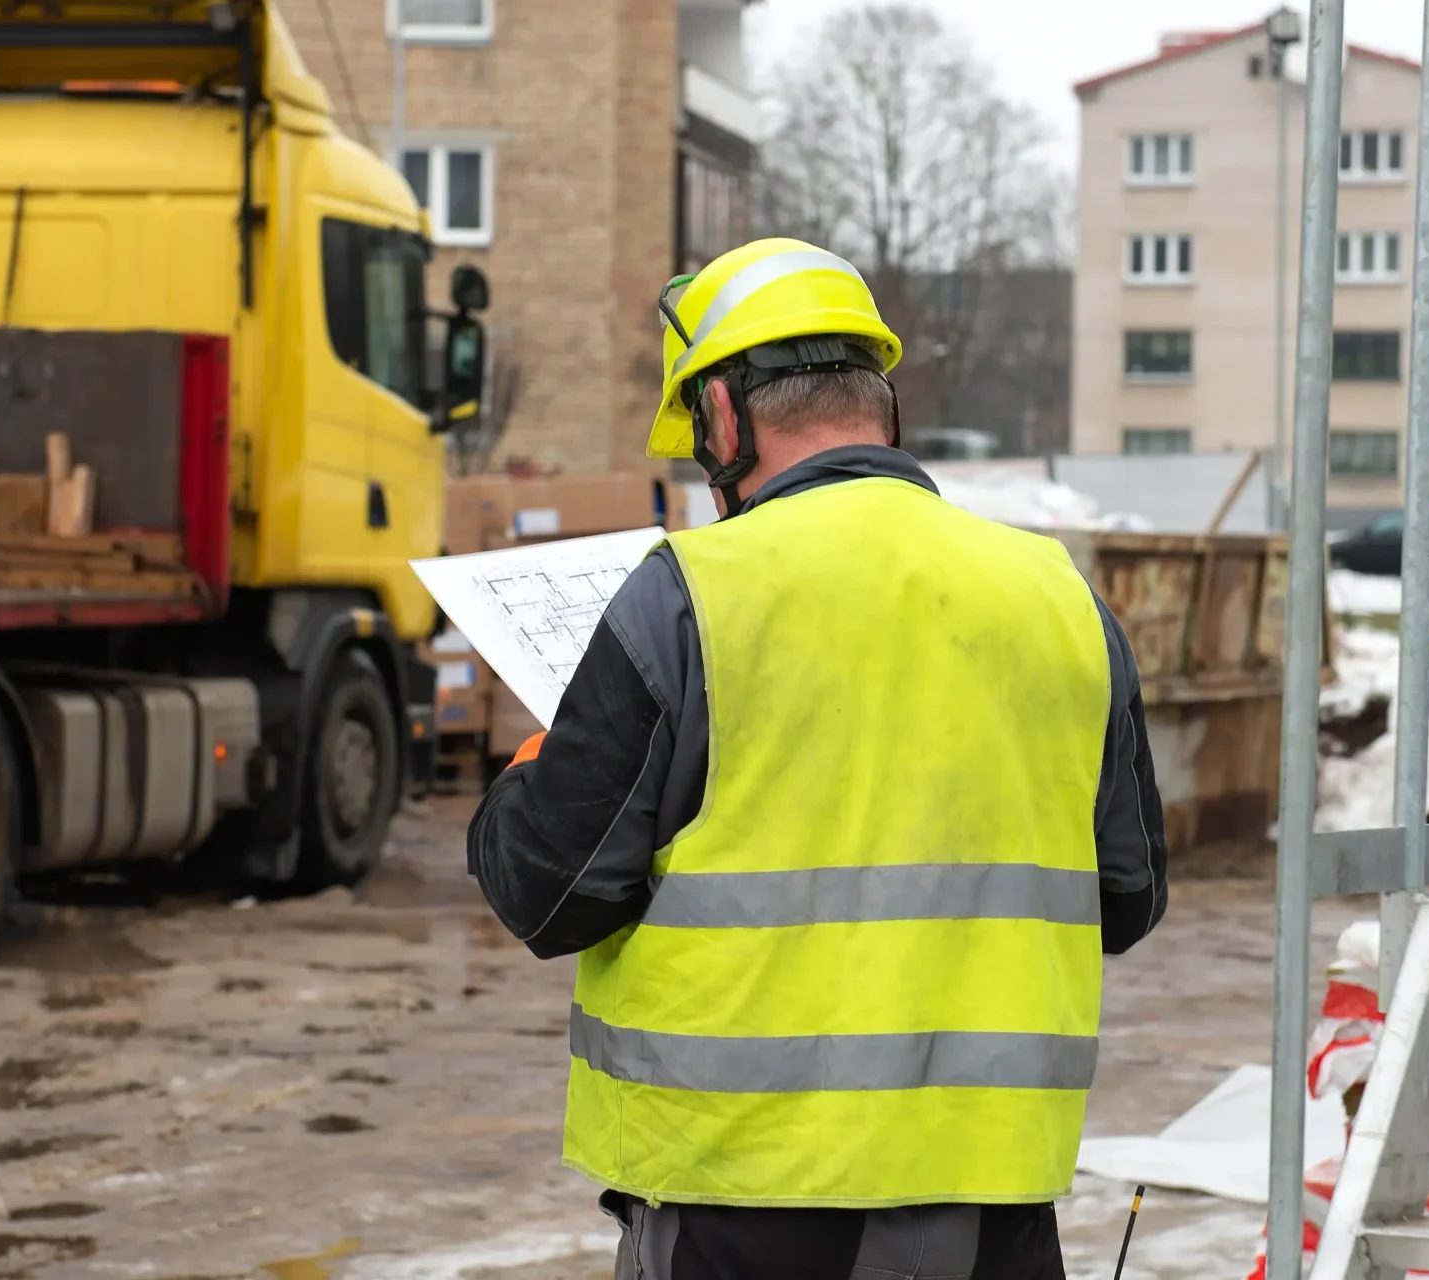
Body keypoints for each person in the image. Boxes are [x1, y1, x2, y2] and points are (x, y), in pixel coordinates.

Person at [466, 237, 1170, 1280]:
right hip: (990, 1210)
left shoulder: (688, 593)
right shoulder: (1058, 595)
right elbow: (1127, 896)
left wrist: (532, 766)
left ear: (719, 415)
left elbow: (547, 887)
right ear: (882, 404)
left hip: (738, 1201)